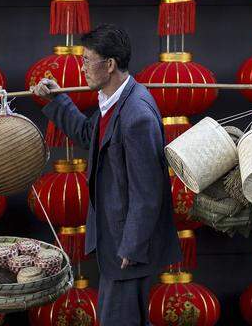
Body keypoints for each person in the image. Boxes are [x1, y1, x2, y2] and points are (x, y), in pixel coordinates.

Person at [31, 24, 182, 325]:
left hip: (128, 245)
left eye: (87, 60)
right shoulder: (114, 100)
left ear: (110, 64)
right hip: (117, 238)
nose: (82, 68)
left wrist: (132, 246)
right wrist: (55, 98)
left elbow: (148, 190)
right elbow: (89, 134)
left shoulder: (136, 115)